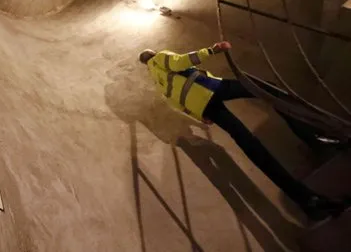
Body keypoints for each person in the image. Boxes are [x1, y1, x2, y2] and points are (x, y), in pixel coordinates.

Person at [139, 41, 348, 222]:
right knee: (267, 89)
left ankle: (307, 200)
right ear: (152, 54)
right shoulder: (161, 58)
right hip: (213, 88)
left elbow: (177, 104)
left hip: (206, 107)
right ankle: (314, 137)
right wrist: (212, 50)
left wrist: (200, 117)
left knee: (250, 144)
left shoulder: (158, 82)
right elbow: (182, 61)